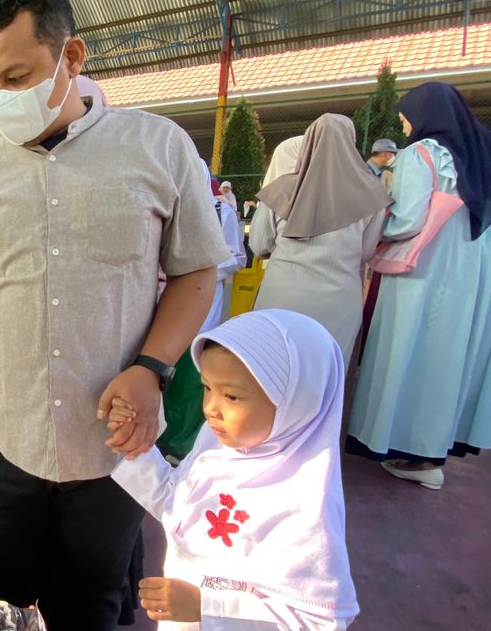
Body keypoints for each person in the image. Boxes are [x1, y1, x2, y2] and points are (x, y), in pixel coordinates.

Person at [0, 0, 227, 631]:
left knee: (88, 602)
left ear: (73, 57)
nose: (1, 97)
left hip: (111, 450)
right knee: (1, 601)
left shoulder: (158, 149)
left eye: (19, 75)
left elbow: (196, 272)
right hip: (7, 436)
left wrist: (151, 368)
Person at [109, 310, 358, 631]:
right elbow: (183, 509)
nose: (210, 409)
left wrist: (206, 606)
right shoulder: (220, 448)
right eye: (207, 388)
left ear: (293, 402)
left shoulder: (304, 501)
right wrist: (139, 452)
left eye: (232, 395)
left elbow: (321, 624)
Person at [349, 82, 491, 490]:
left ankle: (396, 443)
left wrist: (374, 229)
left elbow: (408, 220)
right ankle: (430, 452)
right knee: (446, 359)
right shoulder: (478, 156)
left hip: (421, 271)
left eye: (407, 113)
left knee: (406, 351)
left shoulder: (420, 154)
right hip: (469, 275)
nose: (403, 121)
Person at [249, 113, 388, 366]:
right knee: (325, 378)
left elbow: (258, 245)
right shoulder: (373, 194)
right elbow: (366, 251)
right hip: (340, 304)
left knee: (272, 373)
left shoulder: (281, 188)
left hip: (282, 297)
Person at [159, 163, 248, 461]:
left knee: (190, 379)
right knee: (160, 377)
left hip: (202, 304)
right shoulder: (164, 205)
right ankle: (157, 439)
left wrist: (197, 269)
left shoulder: (220, 211)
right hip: (158, 302)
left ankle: (180, 445)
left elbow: (237, 257)